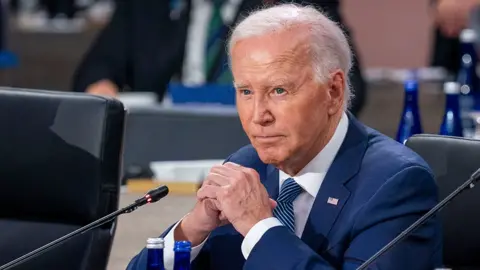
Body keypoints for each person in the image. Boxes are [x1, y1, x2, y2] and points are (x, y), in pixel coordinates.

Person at [126, 4, 442, 270]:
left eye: (279, 90)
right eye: (245, 92)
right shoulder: (245, 166)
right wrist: (192, 229)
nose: (258, 114)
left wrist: (259, 228)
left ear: (333, 92)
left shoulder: (395, 184)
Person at [71, 0, 367, 116]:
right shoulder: (149, 6)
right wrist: (103, 93)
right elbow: (94, 69)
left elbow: (348, 88)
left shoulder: (295, 5)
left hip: (265, 149)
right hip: (163, 153)